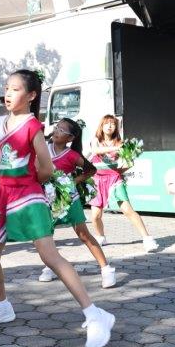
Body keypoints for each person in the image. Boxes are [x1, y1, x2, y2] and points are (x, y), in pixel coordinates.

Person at [0, 69, 115, 347]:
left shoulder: (32, 126)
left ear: (31, 95)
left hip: (29, 196)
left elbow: (47, 168)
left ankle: (95, 314)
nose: (8, 93)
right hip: (2, 196)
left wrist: (28, 184)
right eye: (6, 88)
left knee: (49, 256)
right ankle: (2, 306)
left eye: (15, 89)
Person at [39, 118, 116, 287]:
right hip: (48, 199)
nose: (56, 131)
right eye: (56, 127)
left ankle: (106, 269)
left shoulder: (72, 155)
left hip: (69, 199)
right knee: (46, 235)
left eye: (61, 130)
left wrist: (72, 181)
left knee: (83, 235)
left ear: (70, 138)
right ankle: (50, 266)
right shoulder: (44, 148)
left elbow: (91, 170)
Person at [89, 115, 158, 252]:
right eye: (106, 123)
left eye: (113, 124)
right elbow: (95, 150)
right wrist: (115, 148)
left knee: (127, 210)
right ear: (101, 126)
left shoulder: (120, 143)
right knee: (95, 216)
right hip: (97, 180)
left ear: (116, 127)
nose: (109, 126)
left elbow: (129, 163)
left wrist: (118, 171)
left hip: (115, 180)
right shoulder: (96, 140)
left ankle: (148, 239)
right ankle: (101, 237)